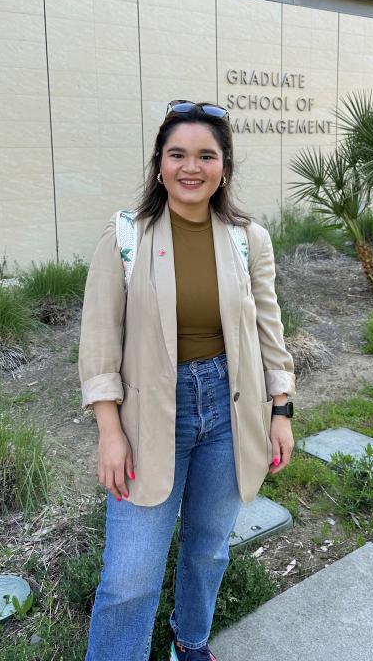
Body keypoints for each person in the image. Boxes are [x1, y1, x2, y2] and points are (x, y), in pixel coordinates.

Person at [78, 99, 296, 661]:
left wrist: (281, 410)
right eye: (177, 154)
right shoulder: (125, 237)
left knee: (208, 550)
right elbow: (100, 343)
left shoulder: (249, 238)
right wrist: (110, 430)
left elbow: (268, 330)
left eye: (206, 154)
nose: (190, 167)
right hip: (151, 412)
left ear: (224, 166)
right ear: (159, 164)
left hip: (230, 409)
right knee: (129, 576)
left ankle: (190, 639)